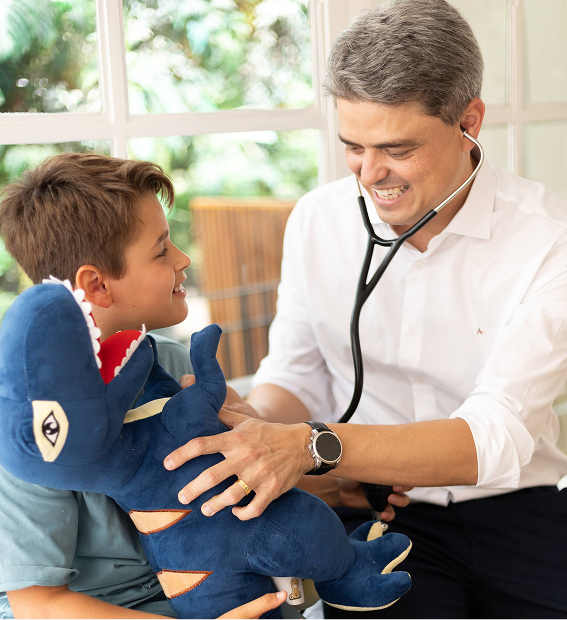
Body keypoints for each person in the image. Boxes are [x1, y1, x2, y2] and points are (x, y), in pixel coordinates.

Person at [161, 1, 567, 619]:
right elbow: (297, 378)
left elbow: (495, 435)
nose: (371, 174)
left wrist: (311, 446)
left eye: (397, 149)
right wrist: (255, 427)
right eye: (353, 146)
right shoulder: (318, 220)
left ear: (470, 121)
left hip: (521, 503)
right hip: (379, 506)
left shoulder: (549, 237)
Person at [0, 153, 287, 620]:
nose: (183, 259)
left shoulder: (172, 362)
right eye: (161, 250)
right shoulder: (26, 420)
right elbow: (38, 605)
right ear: (97, 285)